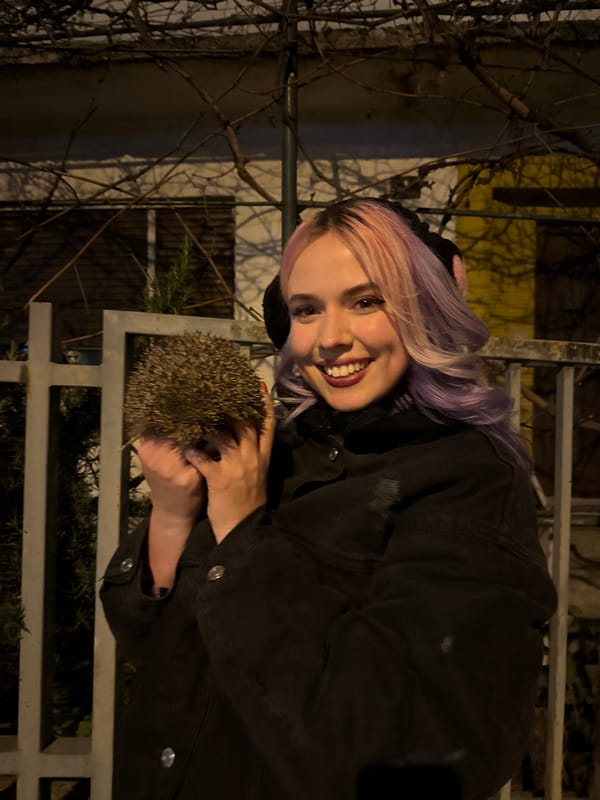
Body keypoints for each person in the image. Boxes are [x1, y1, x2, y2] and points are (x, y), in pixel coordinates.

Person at [101, 197, 557, 800]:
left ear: (427, 307)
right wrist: (173, 513)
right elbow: (158, 649)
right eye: (307, 310)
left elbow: (394, 745)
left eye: (366, 302)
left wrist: (240, 526)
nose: (331, 339)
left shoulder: (468, 480)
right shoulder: (276, 451)